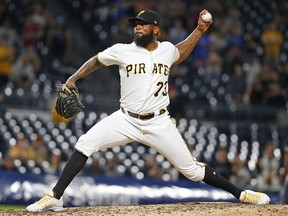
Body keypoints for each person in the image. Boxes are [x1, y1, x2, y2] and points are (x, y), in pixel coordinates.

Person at [26, 9, 270, 212]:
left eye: (142, 25)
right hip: (125, 119)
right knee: (85, 143)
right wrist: (73, 79)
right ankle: (56, 195)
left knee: (193, 171)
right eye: (135, 25)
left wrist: (198, 31)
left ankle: (241, 193)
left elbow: (180, 51)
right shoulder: (122, 50)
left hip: (159, 123)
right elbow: (97, 60)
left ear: (155, 29)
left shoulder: (165, 50)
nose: (137, 28)